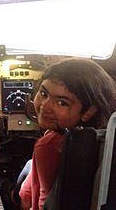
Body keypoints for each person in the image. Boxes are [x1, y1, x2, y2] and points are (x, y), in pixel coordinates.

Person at [18, 58, 116, 210]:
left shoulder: (49, 145)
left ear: (88, 111)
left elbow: (34, 202)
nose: (45, 106)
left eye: (62, 102)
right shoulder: (106, 141)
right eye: (44, 93)